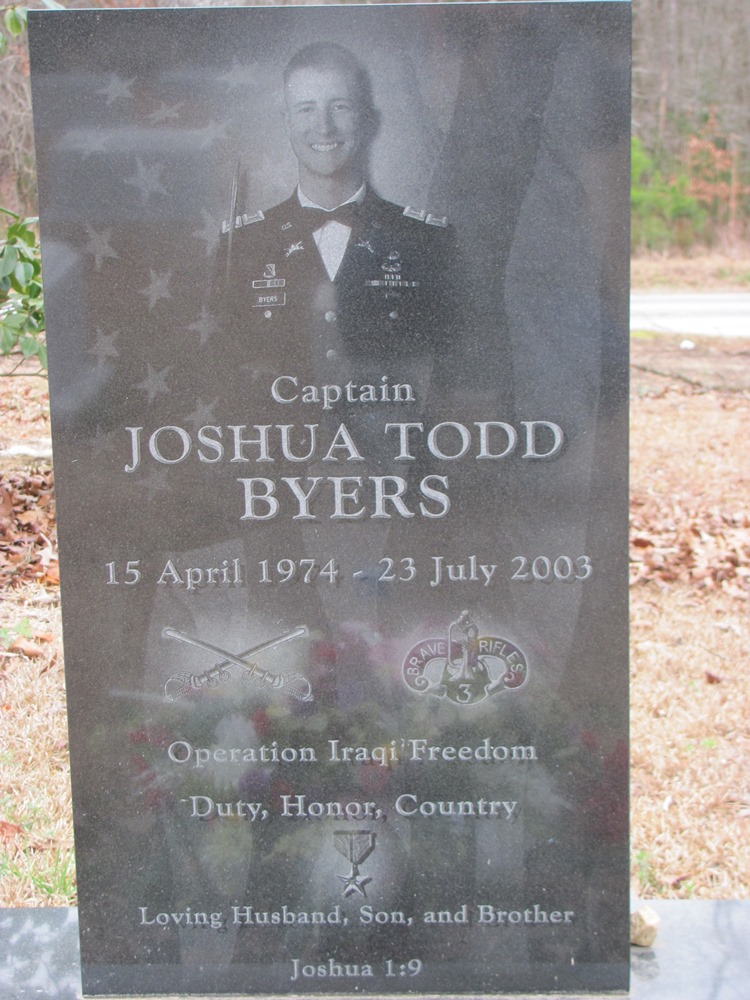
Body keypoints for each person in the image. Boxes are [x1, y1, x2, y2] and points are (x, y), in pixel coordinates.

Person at [218, 42, 459, 379]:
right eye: (306, 109)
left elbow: (454, 377)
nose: (324, 126)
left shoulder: (425, 241)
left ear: (367, 119)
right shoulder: (242, 245)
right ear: (286, 121)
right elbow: (221, 372)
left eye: (340, 106)